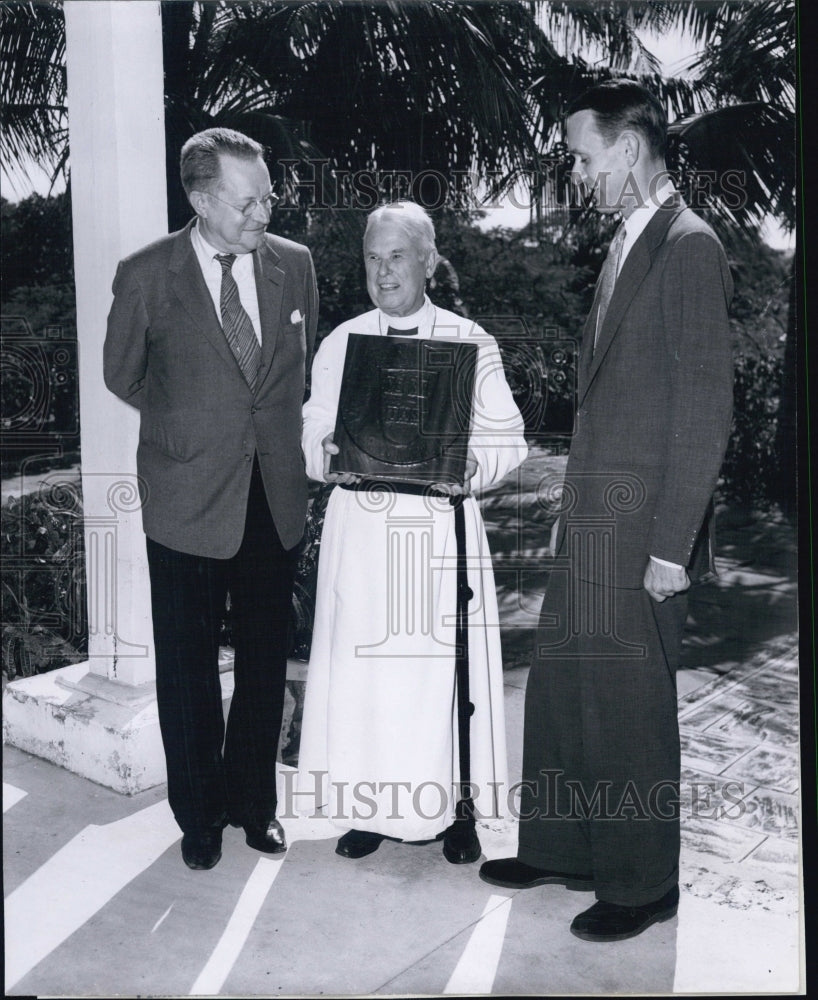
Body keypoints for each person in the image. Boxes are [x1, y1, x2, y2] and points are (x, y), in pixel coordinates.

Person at [480, 80, 734, 941]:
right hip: (592, 518)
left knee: (628, 707)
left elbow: (705, 407)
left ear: (628, 150)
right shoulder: (630, 243)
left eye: (584, 158)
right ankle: (562, 847)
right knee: (564, 690)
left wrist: (672, 545)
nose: (578, 174)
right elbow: (609, 401)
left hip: (642, 534)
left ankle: (640, 883)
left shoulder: (688, 247)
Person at [103, 128, 318, 870]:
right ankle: (199, 816)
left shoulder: (296, 265)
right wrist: (191, 426)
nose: (266, 209)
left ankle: (255, 806)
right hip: (186, 496)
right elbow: (122, 374)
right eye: (248, 199)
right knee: (188, 665)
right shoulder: (145, 274)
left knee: (264, 662)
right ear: (199, 199)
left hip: (274, 495)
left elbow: (295, 375)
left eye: (268, 194)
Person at [297, 202, 527, 863]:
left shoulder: (470, 341)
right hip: (362, 535)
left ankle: (455, 816)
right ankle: (369, 808)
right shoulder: (341, 342)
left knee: (436, 680)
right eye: (373, 257)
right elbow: (311, 428)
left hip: (436, 536)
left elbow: (507, 438)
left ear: (427, 262)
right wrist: (329, 454)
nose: (384, 270)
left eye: (398, 256)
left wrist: (473, 469)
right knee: (366, 676)